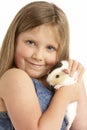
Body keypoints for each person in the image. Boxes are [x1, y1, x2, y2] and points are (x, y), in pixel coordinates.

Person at [0, 1, 87, 130]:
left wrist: (75, 80)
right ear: (14, 40)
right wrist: (63, 97)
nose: (38, 56)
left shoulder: (54, 84)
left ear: (60, 52)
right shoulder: (14, 78)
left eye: (50, 48)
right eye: (30, 42)